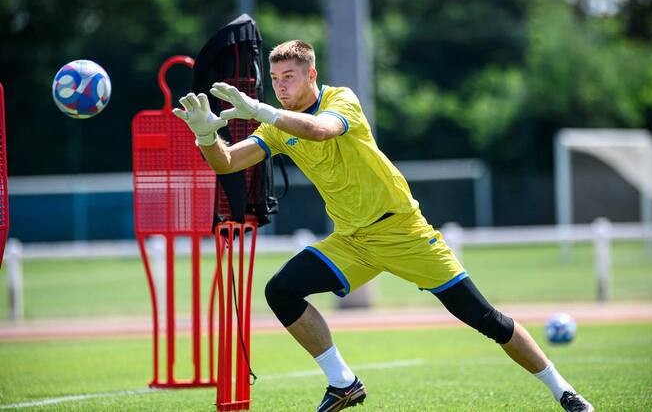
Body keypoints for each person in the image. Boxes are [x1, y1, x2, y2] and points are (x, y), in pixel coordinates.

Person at [172, 40, 594, 412]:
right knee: (280, 290)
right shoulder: (277, 127)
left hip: (404, 233)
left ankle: (566, 393)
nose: (280, 87)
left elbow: (319, 131)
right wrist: (206, 136)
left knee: (486, 319)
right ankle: (343, 383)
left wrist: (262, 110)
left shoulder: (341, 100)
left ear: (311, 75)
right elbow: (228, 163)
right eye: (276, 79)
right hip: (352, 241)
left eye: (289, 77)